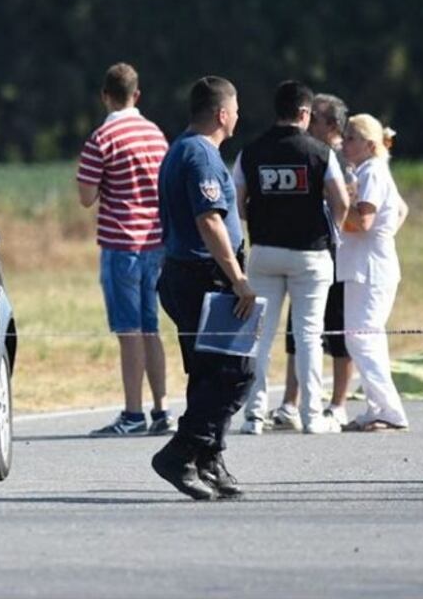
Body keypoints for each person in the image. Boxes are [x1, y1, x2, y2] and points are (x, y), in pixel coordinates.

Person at [151, 76, 256, 500]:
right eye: (236, 109)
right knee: (236, 372)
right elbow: (210, 220)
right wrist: (238, 278)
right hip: (204, 276)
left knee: (208, 373)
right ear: (222, 113)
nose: (238, 117)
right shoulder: (200, 155)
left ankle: (208, 457)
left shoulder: (183, 148)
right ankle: (180, 452)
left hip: (187, 273)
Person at [235, 81, 350, 435]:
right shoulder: (320, 152)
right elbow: (342, 201)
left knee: (259, 336)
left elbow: (236, 202)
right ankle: (312, 416)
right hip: (310, 254)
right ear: (303, 113)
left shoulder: (250, 152)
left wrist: (256, 222)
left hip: (265, 252)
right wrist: (332, 232)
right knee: (309, 336)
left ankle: (254, 416)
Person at [76, 63, 174, 436]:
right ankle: (162, 409)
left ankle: (133, 413)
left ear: (105, 96)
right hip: (155, 241)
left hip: (121, 243)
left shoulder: (102, 138)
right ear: (137, 94)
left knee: (128, 330)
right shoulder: (155, 134)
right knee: (151, 328)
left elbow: (86, 197)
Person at [279, 94, 355, 429]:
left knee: (337, 329)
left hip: (336, 254)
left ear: (333, 125)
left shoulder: (342, 157)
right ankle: (290, 403)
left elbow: (347, 201)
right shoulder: (306, 152)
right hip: (306, 252)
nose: (309, 125)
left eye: (317, 119)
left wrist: (333, 234)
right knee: (298, 330)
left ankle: (338, 404)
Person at [338, 114, 409, 431]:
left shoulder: (371, 172)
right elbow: (402, 209)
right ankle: (377, 407)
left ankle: (389, 410)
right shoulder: (368, 171)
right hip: (367, 265)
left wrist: (335, 202)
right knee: (365, 339)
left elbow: (363, 221)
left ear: (369, 144)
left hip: (370, 268)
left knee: (362, 339)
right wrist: (386, 234)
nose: (344, 143)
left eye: (351, 138)